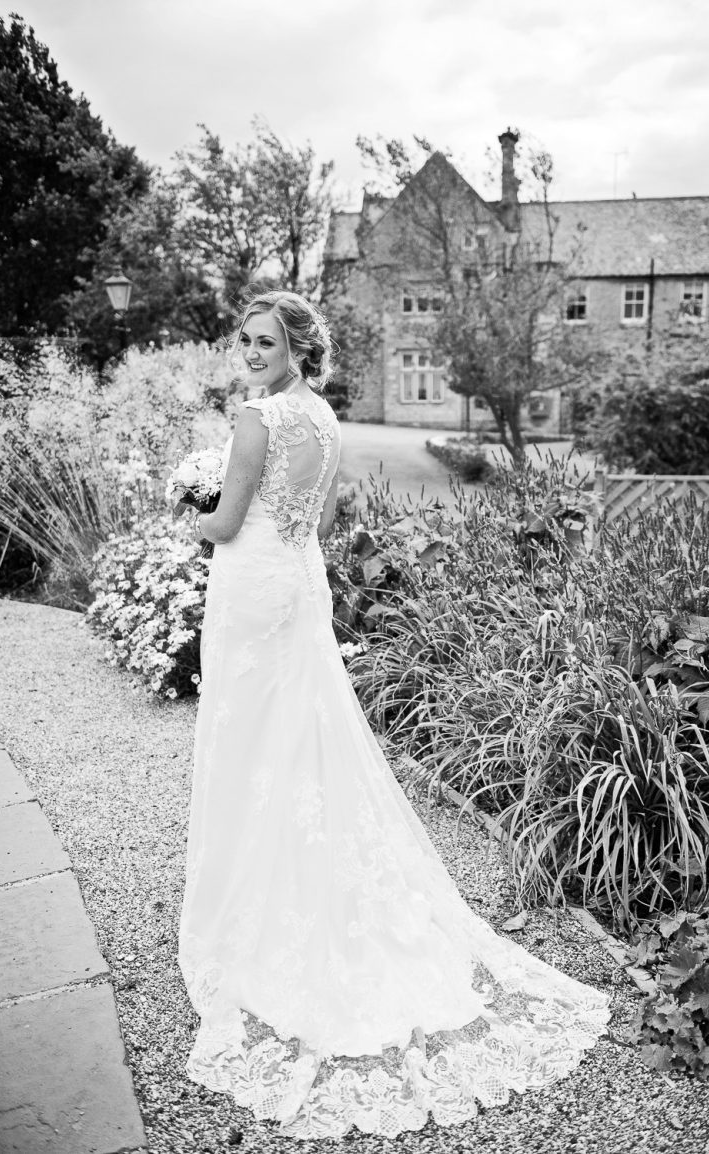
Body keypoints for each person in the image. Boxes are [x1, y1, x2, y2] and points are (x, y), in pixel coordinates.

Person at [177, 290, 611, 1141]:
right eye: (245, 339)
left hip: (255, 588)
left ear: (298, 345)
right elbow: (322, 515)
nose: (251, 350)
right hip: (299, 588)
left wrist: (181, 506)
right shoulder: (326, 420)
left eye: (265, 340)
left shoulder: (259, 417)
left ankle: (259, 902)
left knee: (251, 743)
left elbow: (227, 522)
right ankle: (306, 868)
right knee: (300, 741)